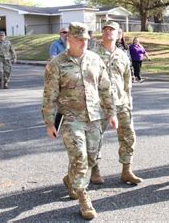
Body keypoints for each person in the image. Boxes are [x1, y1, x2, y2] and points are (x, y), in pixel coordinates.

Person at [42, 22, 117, 220]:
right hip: (69, 118)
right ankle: (84, 198)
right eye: (79, 40)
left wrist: (112, 113)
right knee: (79, 157)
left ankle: (70, 179)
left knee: (92, 157)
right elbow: (49, 96)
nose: (84, 43)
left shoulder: (95, 59)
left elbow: (105, 88)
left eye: (86, 39)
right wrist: (50, 123)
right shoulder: (57, 64)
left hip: (94, 117)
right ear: (70, 39)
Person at [93, 21, 143, 185]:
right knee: (95, 138)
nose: (108, 32)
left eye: (112, 30)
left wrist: (128, 101)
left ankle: (126, 171)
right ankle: (95, 170)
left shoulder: (123, 55)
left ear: (118, 34)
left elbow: (127, 81)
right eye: (105, 29)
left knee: (128, 136)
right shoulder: (92, 55)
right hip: (99, 104)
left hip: (121, 103)